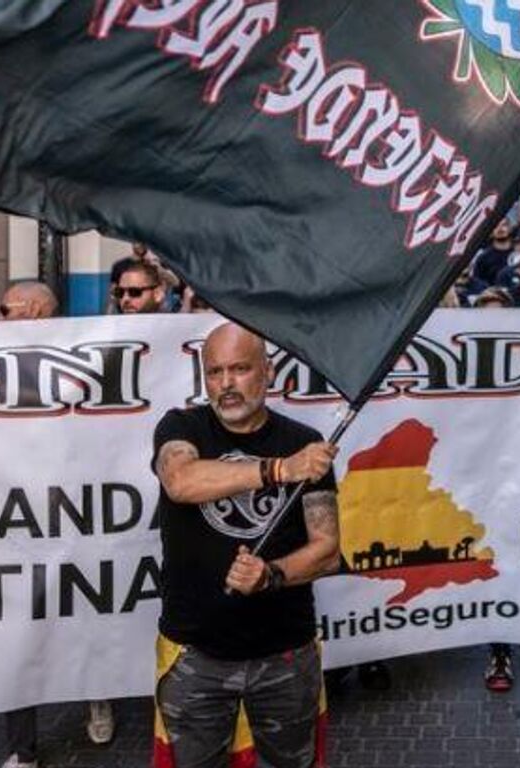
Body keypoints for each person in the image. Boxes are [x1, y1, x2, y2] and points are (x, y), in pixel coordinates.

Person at [151, 323, 340, 768]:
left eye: (240, 369)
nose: (226, 384)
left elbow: (327, 549)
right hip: (195, 654)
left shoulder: (304, 444)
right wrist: (277, 470)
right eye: (214, 372)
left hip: (285, 655)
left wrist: (270, 575)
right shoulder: (181, 427)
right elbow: (181, 481)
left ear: (268, 372)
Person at [0, 281, 114, 768]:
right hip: (15, 518)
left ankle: (98, 691)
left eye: (7, 310)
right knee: (17, 630)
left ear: (37, 312)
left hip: (73, 514)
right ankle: (20, 748)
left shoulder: (81, 354)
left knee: (86, 612)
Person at [467, 222, 517, 292]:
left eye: (504, 225)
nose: (500, 229)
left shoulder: (518, 253)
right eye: (495, 226)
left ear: (510, 228)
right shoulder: (483, 257)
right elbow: (477, 283)